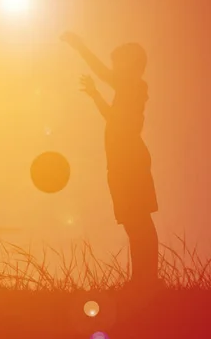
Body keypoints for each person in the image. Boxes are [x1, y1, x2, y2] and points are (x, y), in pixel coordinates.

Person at [61, 31, 160, 291]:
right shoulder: (127, 90)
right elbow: (113, 118)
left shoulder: (135, 86)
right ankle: (141, 279)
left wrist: (80, 46)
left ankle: (148, 279)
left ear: (133, 64)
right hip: (118, 161)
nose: (114, 67)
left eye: (119, 62)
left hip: (131, 159)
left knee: (139, 218)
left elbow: (104, 73)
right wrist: (95, 95)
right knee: (130, 219)